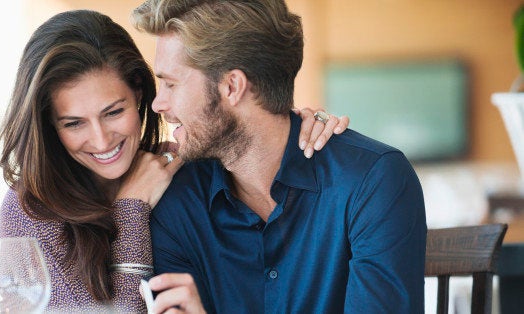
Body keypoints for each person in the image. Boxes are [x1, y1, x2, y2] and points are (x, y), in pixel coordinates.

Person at [0, 9, 348, 312]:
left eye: (114, 112)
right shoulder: (30, 212)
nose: (101, 140)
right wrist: (130, 210)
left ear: (138, 93)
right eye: (74, 123)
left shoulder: (182, 167)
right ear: (47, 124)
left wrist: (298, 126)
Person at [132, 0, 427, 313]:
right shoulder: (178, 201)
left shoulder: (370, 181)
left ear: (232, 86)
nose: (158, 104)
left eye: (170, 84)